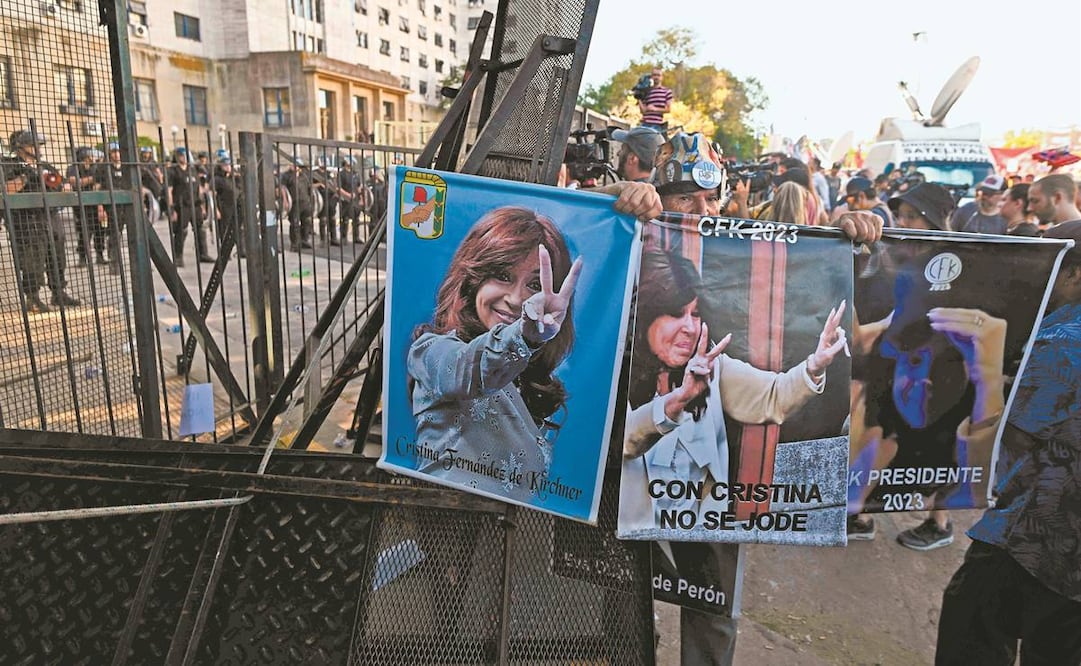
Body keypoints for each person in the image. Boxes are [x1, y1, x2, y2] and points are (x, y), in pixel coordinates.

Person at [637, 130, 881, 666]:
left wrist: (842, 246)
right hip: (626, 495)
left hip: (702, 502)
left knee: (712, 608)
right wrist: (621, 195)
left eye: (711, 200)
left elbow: (772, 392)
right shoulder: (635, 243)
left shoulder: (715, 358)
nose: (702, 211)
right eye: (684, 200)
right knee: (622, 602)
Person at [935, 220, 1081, 665]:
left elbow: (1004, 437)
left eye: (1048, 267)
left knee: (971, 632)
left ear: (1075, 273)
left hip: (1034, 537)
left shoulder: (1064, 340)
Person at [620, 250, 847, 531]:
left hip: (694, 536)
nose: (690, 327)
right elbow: (619, 445)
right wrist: (670, 406)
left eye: (696, 313)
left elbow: (774, 396)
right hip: (630, 535)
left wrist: (814, 366)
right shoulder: (617, 370)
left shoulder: (713, 369)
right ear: (645, 316)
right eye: (676, 313)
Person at [848, 183, 1001, 549]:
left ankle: (939, 522)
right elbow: (897, 314)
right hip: (899, 365)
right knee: (879, 434)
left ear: (933, 221)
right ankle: (861, 512)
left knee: (942, 444)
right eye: (900, 215)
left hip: (946, 373)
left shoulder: (961, 265)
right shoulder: (902, 261)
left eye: (912, 217)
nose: (902, 223)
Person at [407, 207, 582, 502]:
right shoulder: (430, 352)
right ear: (472, 278)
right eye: (502, 275)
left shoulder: (530, 378)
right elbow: (468, 369)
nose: (516, 299)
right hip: (446, 535)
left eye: (535, 285)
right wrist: (524, 336)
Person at [2, 129, 80, 312]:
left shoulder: (44, 165)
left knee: (57, 254)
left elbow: (61, 184)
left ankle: (58, 292)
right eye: (33, 145)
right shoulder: (9, 165)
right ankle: (33, 297)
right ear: (21, 148)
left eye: (39, 145)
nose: (38, 148)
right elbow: (6, 189)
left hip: (50, 216)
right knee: (32, 257)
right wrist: (27, 175)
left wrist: (65, 185)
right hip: (26, 219)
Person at [168, 147, 211, 265]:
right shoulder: (173, 171)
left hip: (195, 204)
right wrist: (171, 209)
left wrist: (202, 207)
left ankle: (203, 254)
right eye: (181, 155)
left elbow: (199, 189)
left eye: (185, 155)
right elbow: (169, 190)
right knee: (182, 231)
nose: (184, 157)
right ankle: (178, 257)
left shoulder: (192, 170)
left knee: (200, 229)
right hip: (181, 206)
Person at [67, 145, 105, 265]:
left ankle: (100, 255)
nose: (92, 157)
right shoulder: (74, 168)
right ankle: (82, 257)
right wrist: (92, 179)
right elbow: (74, 182)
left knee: (100, 230)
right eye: (89, 155)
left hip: (96, 203)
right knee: (84, 231)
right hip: (81, 206)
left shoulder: (96, 167)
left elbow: (101, 182)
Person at [211, 150, 243, 257]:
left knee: (239, 229)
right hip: (224, 207)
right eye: (225, 164)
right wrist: (215, 209)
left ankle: (241, 250)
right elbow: (212, 195)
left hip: (235, 205)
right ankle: (225, 253)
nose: (227, 166)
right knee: (224, 230)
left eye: (228, 164)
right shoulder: (218, 179)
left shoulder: (234, 177)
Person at [638, 67, 673, 132]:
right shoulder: (647, 91)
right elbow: (643, 111)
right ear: (651, 77)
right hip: (644, 124)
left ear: (662, 77)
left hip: (656, 125)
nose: (656, 77)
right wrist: (639, 98)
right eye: (654, 75)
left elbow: (668, 109)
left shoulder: (666, 91)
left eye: (658, 75)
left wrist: (655, 109)